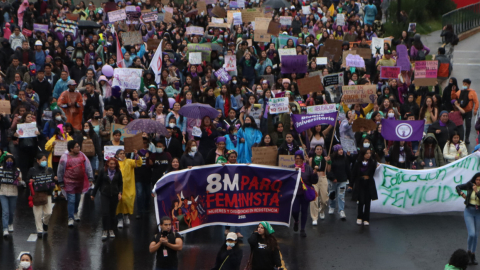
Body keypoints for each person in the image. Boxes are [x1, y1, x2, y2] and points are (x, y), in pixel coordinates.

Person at [57, 140, 94, 227]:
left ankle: (75, 212)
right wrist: (60, 181)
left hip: (80, 182)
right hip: (69, 182)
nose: (78, 148)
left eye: (78, 146)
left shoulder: (82, 155)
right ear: (71, 148)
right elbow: (60, 171)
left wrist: (90, 177)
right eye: (76, 146)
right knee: (71, 200)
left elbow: (88, 166)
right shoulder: (64, 158)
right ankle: (70, 218)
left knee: (77, 199)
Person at [91, 157, 123, 240]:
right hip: (105, 194)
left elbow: (120, 183)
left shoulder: (118, 172)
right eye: (111, 164)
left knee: (112, 213)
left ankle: (111, 229)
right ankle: (105, 230)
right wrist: (93, 194)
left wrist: (120, 192)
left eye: (114, 164)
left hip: (114, 195)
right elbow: (98, 183)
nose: (112, 165)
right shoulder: (103, 171)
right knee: (105, 213)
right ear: (108, 164)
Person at [290, 150, 318, 237]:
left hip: (305, 193)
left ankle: (302, 229)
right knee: (295, 210)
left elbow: (314, 181)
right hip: (295, 194)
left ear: (302, 159)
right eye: (296, 158)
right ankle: (296, 221)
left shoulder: (308, 168)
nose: (298, 160)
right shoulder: (291, 167)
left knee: (304, 211)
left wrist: (314, 174)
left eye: (300, 158)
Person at [27, 154, 55, 238]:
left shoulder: (49, 170)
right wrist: (30, 180)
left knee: (49, 212)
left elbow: (52, 180)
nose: (44, 161)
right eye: (42, 160)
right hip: (36, 194)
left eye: (45, 159)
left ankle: (45, 222)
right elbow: (27, 179)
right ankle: (39, 230)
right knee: (37, 213)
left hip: (47, 193)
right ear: (38, 160)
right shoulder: (32, 170)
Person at [456, 173, 480, 265]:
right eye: (477, 179)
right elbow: (458, 187)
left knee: (476, 235)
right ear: (474, 179)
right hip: (469, 212)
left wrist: (477, 192)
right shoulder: (470, 185)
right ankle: (468, 253)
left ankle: (473, 256)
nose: (478, 181)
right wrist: (461, 193)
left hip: (478, 213)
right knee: (472, 234)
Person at [115, 148, 142, 228]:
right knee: (119, 203)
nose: (123, 155)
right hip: (117, 186)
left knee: (127, 201)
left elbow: (139, 163)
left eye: (123, 153)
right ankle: (120, 219)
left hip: (128, 187)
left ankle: (126, 216)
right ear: (117, 155)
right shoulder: (115, 163)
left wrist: (136, 155)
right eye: (120, 153)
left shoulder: (129, 161)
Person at [352, 148, 378, 226]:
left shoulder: (372, 163)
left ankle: (366, 218)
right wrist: (351, 185)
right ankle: (359, 217)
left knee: (367, 201)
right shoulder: (358, 163)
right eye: (367, 153)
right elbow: (354, 173)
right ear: (363, 154)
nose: (369, 155)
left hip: (368, 183)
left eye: (370, 153)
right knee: (361, 201)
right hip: (360, 183)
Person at [451, 78, 479, 144]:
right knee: (459, 125)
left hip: (468, 111)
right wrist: (453, 91)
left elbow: (476, 102)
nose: (464, 85)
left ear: (469, 85)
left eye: (465, 84)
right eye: (463, 84)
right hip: (460, 111)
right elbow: (453, 97)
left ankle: (467, 138)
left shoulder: (472, 92)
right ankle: (459, 138)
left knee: (468, 125)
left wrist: (475, 109)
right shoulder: (460, 91)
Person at [327, 145, 351, 220]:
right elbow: (328, 170)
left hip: (342, 180)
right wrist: (332, 178)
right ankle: (332, 206)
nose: (341, 151)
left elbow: (348, 168)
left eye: (341, 149)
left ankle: (341, 210)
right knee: (332, 194)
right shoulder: (331, 158)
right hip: (333, 180)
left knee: (341, 195)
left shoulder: (345, 158)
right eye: (339, 150)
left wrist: (350, 180)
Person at [308, 144, 331, 223]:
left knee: (324, 199)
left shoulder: (325, 158)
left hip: (323, 178)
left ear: (322, 150)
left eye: (320, 149)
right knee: (314, 199)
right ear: (315, 150)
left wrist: (329, 162)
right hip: (314, 180)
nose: (319, 150)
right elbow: (309, 171)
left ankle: (321, 210)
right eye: (317, 149)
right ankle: (314, 217)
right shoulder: (311, 159)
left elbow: (328, 170)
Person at [0, 154, 21, 237]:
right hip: (2, 193)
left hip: (13, 193)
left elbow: (21, 184)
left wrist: (19, 180)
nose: (9, 162)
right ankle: (5, 228)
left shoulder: (17, 170)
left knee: (11, 212)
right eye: (7, 161)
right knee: (5, 212)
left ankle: (10, 223)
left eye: (11, 161)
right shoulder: (1, 169)